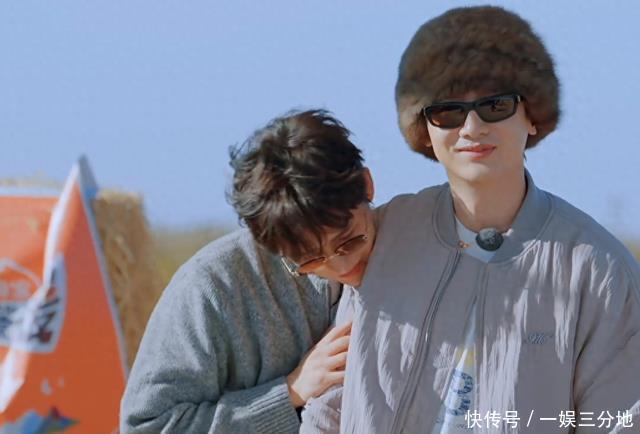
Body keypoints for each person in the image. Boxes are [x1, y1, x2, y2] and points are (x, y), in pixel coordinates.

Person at [301, 6, 640, 433]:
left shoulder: (599, 270)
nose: (472, 127)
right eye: (448, 111)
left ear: (532, 116)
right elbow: (331, 409)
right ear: (424, 127)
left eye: (495, 105)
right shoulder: (386, 238)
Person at [119, 109, 377, 433]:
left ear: (367, 185)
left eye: (349, 240)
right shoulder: (211, 286)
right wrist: (289, 392)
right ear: (271, 243)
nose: (343, 266)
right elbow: (146, 427)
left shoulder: (419, 245)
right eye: (311, 259)